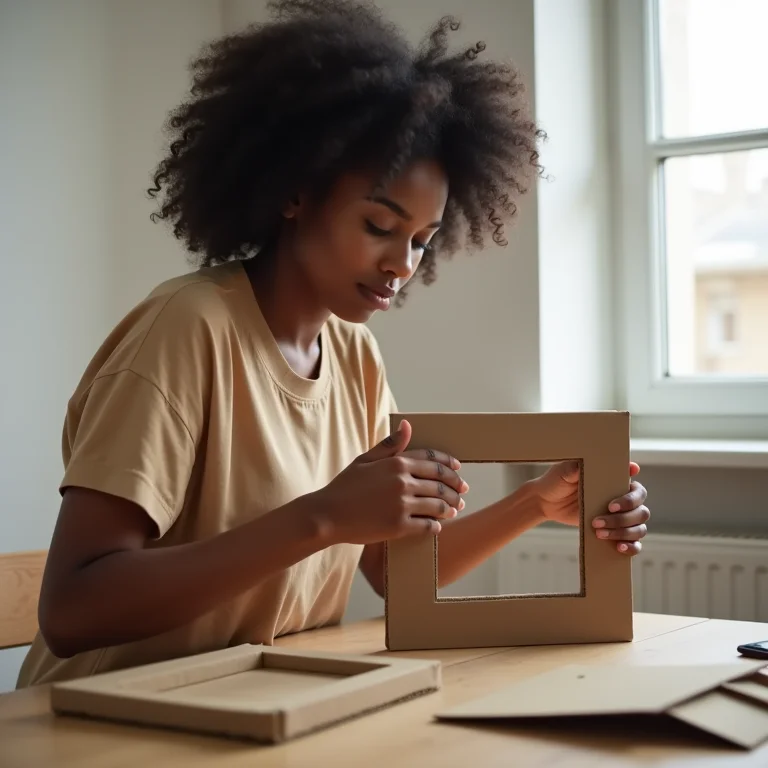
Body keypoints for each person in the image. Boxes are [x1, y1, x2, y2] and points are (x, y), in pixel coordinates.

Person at [17, 0, 650, 688]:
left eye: (420, 241)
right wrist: (321, 517)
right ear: (295, 192)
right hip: (105, 725)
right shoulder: (186, 329)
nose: (402, 264)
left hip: (257, 707)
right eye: (380, 225)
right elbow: (73, 609)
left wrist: (536, 504)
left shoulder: (354, 356)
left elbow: (387, 567)